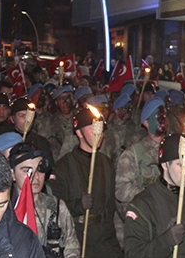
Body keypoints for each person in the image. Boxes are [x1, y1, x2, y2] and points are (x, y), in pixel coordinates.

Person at [50, 106, 123, 257]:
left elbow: (111, 204)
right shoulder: (64, 167)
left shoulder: (106, 163)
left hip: (106, 239)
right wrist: (78, 205)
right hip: (80, 238)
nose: (99, 135)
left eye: (101, 130)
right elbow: (53, 207)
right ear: (79, 133)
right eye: (93, 130)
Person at [123, 134, 185, 257]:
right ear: (165, 165)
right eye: (181, 165)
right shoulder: (143, 205)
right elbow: (134, 254)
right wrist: (165, 241)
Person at [9, 143, 80, 258]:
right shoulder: (4, 209)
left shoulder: (57, 207)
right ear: (12, 174)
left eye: (40, 169)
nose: (36, 177)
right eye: (27, 171)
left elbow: (71, 248)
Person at [115, 98, 169, 210]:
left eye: (164, 116)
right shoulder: (133, 154)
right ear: (146, 122)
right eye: (157, 117)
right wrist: (150, 195)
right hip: (146, 214)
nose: (162, 121)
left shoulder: (174, 147)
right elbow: (120, 190)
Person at [105, 93, 144, 163]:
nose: (129, 110)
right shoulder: (108, 130)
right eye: (125, 108)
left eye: (131, 108)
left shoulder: (135, 129)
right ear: (117, 110)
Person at [47, 85, 76, 160]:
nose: (65, 102)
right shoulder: (50, 122)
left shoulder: (82, 118)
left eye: (67, 98)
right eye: (61, 99)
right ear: (56, 103)